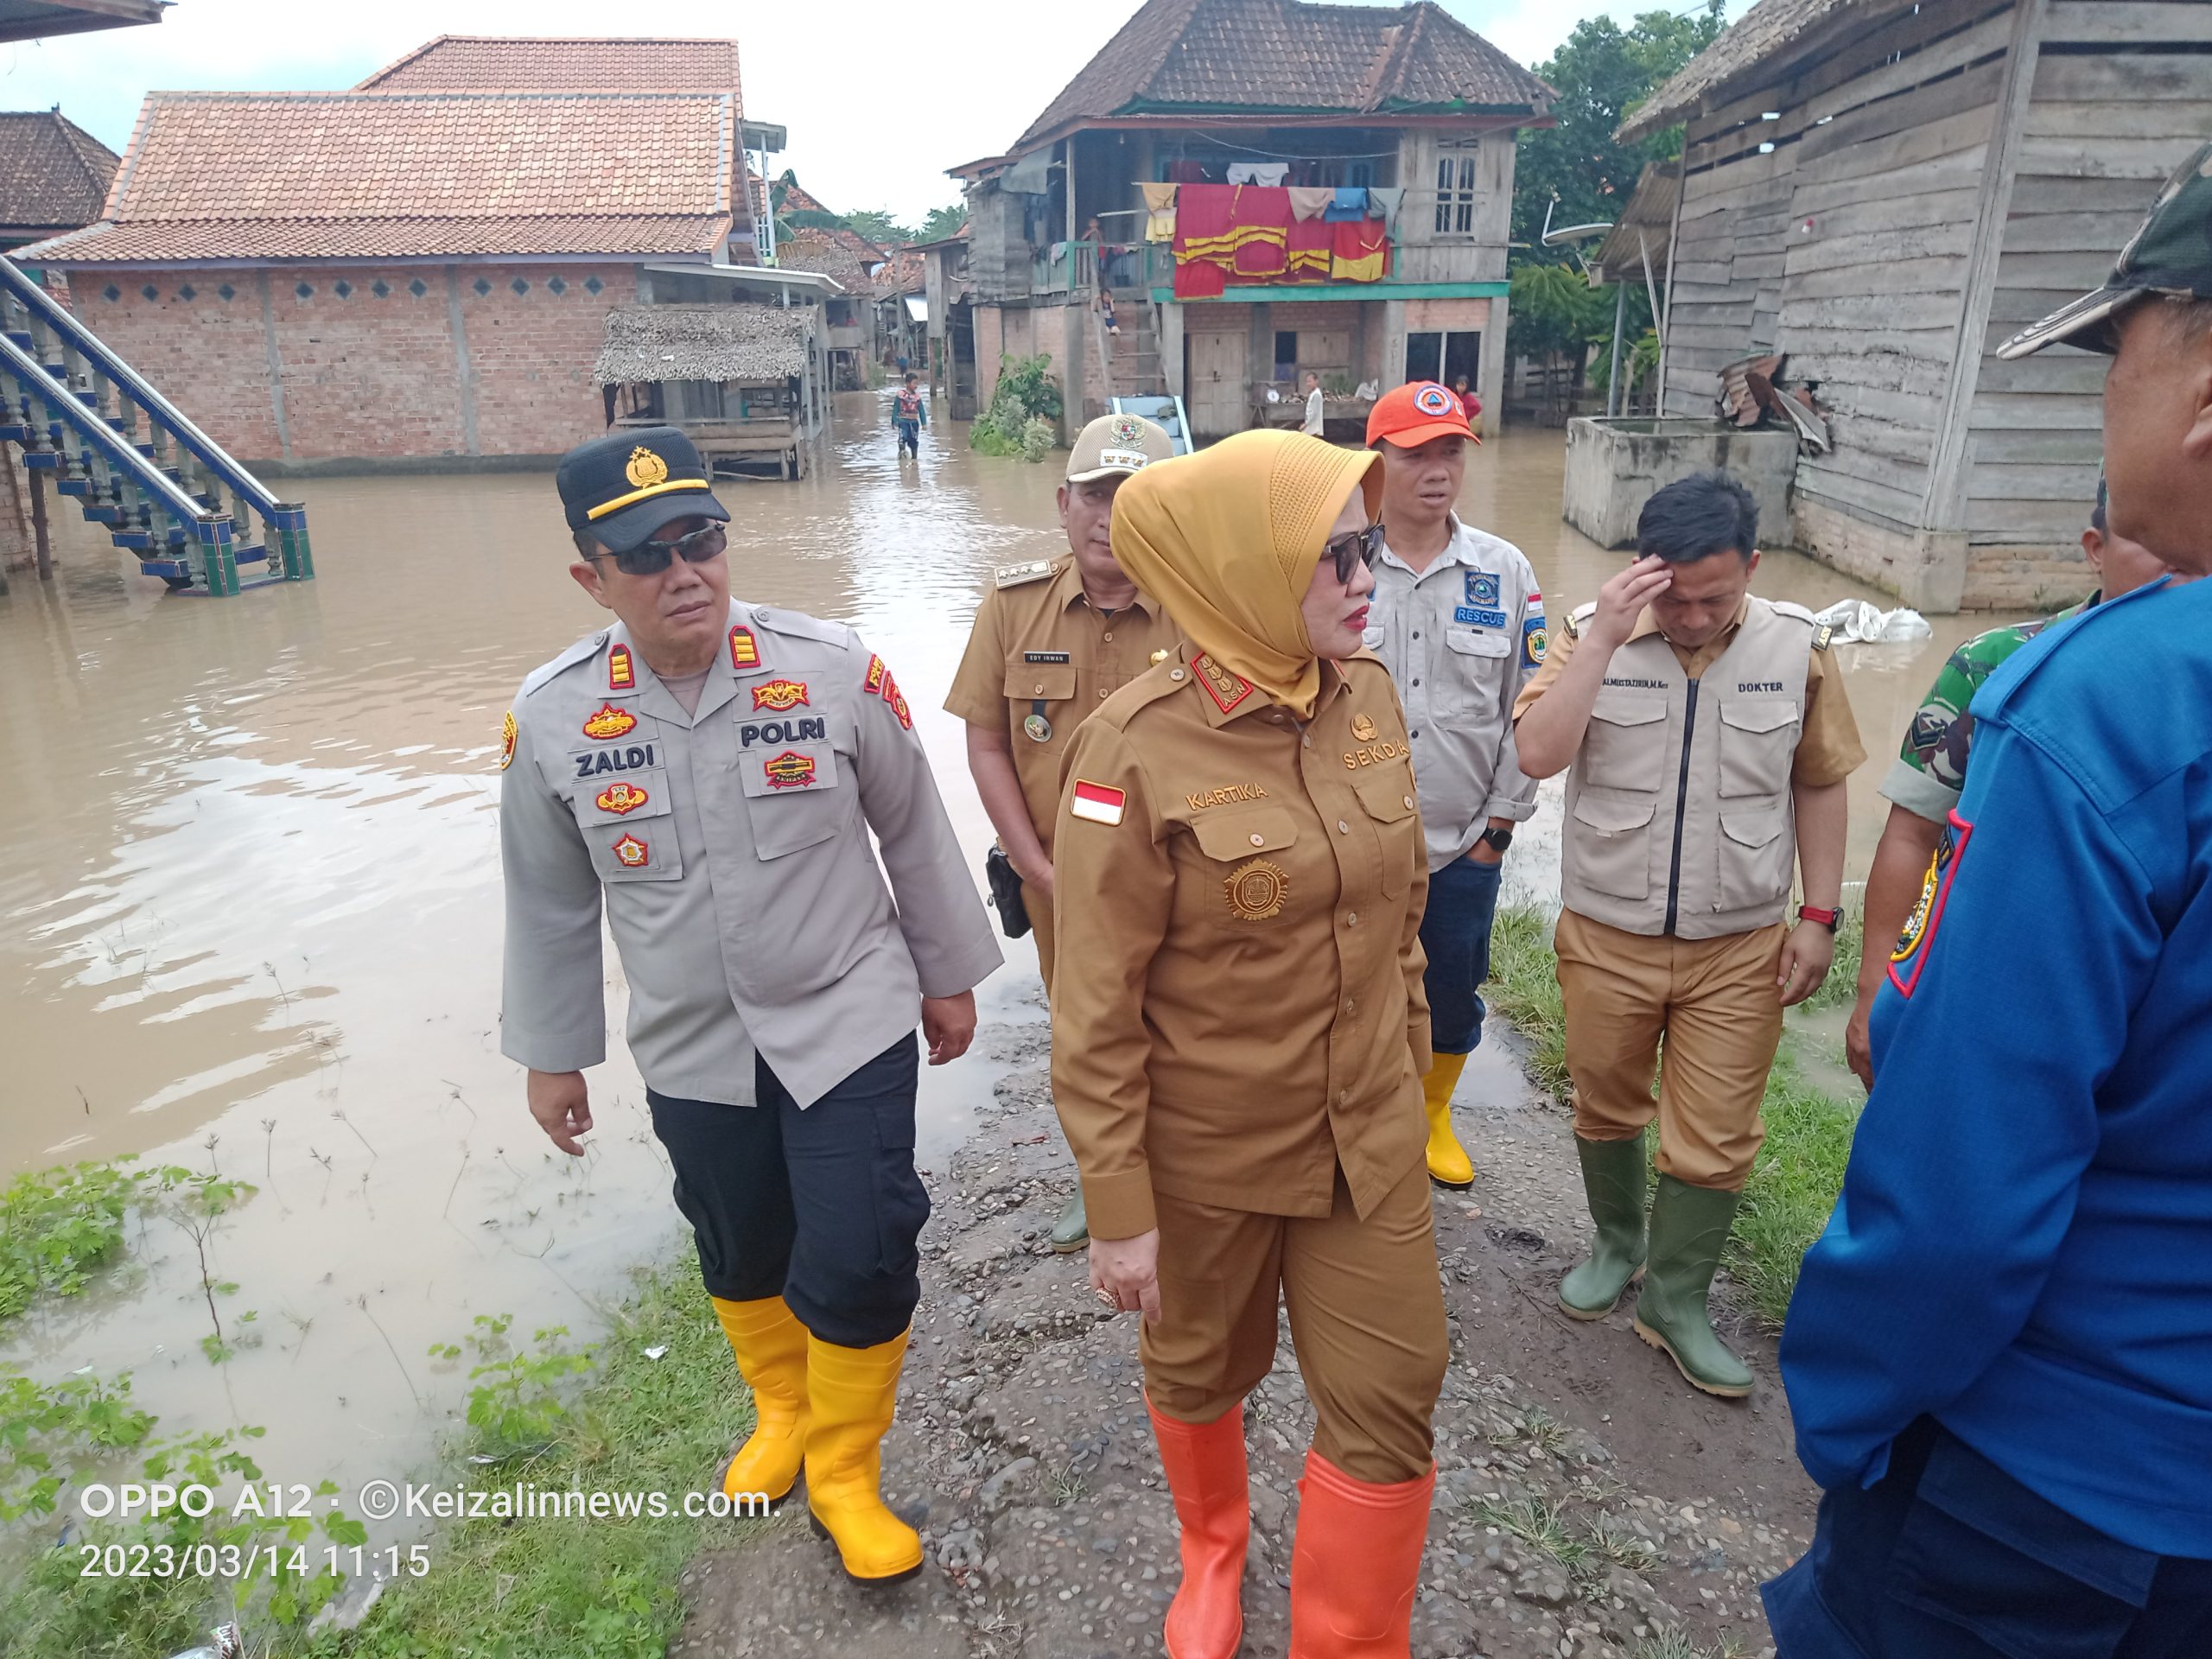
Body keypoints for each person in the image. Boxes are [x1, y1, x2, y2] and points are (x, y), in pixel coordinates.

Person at [1763, 139, 2212, 1658]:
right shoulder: (2010, 683)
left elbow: (1961, 1195)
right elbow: (1910, 829)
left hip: (2051, 1488)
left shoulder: (2122, 703)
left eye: (2114, 370)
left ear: (2200, 400)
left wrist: (1843, 1415)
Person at [499, 428, 1001, 1586]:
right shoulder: (556, 719)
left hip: (848, 1015)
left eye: (701, 541)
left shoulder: (829, 669)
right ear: (592, 577)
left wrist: (947, 975)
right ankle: (781, 1410)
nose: (686, 572)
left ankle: (845, 1468)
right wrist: (553, 1056)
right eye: (647, 556)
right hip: (690, 1043)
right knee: (738, 1243)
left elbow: (915, 829)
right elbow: (549, 903)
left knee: (867, 1243)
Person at [1052, 430, 1446, 1659]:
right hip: (1209, 1156)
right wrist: (1120, 1207)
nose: (1362, 575)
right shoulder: (1129, 748)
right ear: (1240, 569)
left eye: (1367, 546)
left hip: (1367, 1138)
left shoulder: (1367, 695)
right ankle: (1213, 1551)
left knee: (1392, 1400)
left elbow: (1402, 925)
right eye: (1330, 554)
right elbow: (1095, 1002)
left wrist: (1416, 1073)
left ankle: (1349, 1643)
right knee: (1198, 1370)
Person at [1511, 471, 1863, 1397]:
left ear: (1751, 566)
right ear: (1642, 572)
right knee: (1606, 1104)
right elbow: (1538, 754)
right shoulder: (1593, 634)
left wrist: (1819, 916)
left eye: (1716, 596)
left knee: (1715, 1137)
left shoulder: (1797, 647)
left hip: (1739, 945)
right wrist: (1604, 639)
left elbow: (1819, 780)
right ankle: (1617, 1244)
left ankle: (1675, 1300)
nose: (1695, 616)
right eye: (1675, 597)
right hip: (1607, 936)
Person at [1842, 475, 2169, 1087]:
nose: (2179, 577)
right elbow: (1913, 832)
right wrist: (1873, 994)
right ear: (2096, 547)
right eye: (2157, 547)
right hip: (1974, 994)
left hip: (2146, 1024)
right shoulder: (1994, 666)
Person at [944, 412, 1180, 1251]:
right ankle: (1104, 1185)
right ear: (1062, 503)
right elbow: (984, 740)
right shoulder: (1013, 608)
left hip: (1180, 883)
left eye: (1136, 495)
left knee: (1184, 1029)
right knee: (1083, 1034)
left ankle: (1184, 1181)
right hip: (1059, 884)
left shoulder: (1203, 611)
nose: (1111, 514)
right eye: (1095, 494)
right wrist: (1032, 863)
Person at [1361, 380, 1541, 1189]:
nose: (1437, 472)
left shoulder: (1503, 570)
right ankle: (1357, 1115)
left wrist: (1498, 828)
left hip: (1460, 840)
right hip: (1351, 840)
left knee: (1451, 986)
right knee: (1348, 986)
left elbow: (1527, 700)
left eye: (1450, 453)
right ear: (1378, 461)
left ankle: (1432, 1115)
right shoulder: (1339, 559)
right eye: (1416, 455)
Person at [893, 372, 927, 459]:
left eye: (917, 384)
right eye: (914, 383)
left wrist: (924, 423)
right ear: (908, 384)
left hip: (914, 422)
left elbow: (921, 410)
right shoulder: (901, 395)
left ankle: (914, 459)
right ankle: (902, 455)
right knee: (902, 438)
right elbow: (896, 408)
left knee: (914, 441)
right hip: (903, 421)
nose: (916, 386)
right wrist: (894, 421)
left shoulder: (917, 397)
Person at [1301, 369, 1325, 437]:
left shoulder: (1316, 395)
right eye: (1307, 382)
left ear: (1316, 381)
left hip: (1314, 428)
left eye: (1310, 381)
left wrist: (1306, 424)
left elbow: (1315, 413)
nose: (1308, 384)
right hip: (1311, 427)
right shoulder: (1313, 394)